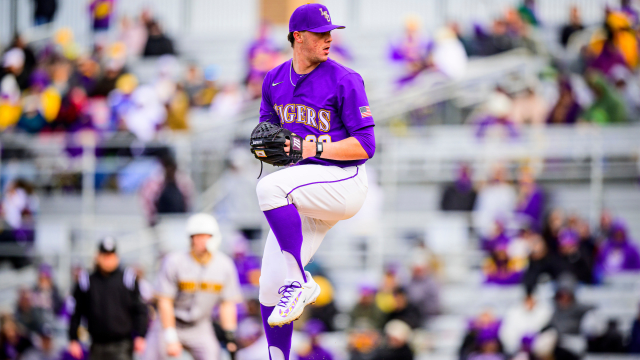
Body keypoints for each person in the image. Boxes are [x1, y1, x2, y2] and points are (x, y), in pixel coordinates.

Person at [253, 4, 375, 359]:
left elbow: (366, 145)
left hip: (344, 180)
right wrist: (266, 149)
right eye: (321, 33)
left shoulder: (344, 79)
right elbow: (266, 133)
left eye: (330, 32)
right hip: (306, 194)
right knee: (268, 288)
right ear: (297, 37)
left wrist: (311, 145)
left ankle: (302, 280)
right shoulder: (274, 80)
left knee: (269, 188)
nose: (329, 38)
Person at [144, 213, 242, 360]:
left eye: (206, 236)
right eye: (198, 236)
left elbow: (227, 303)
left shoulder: (224, 265)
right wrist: (170, 337)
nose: (202, 241)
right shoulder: (174, 261)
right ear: (191, 239)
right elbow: (165, 301)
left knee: (212, 354)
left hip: (200, 325)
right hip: (171, 322)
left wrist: (230, 336)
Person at [68, 237, 148, 360]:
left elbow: (140, 310)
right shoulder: (86, 281)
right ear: (97, 256)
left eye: (111, 256)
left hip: (123, 344)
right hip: (96, 344)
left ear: (117, 257)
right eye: (104, 256)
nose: (108, 260)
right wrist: (73, 339)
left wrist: (140, 335)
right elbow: (76, 312)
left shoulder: (128, 279)